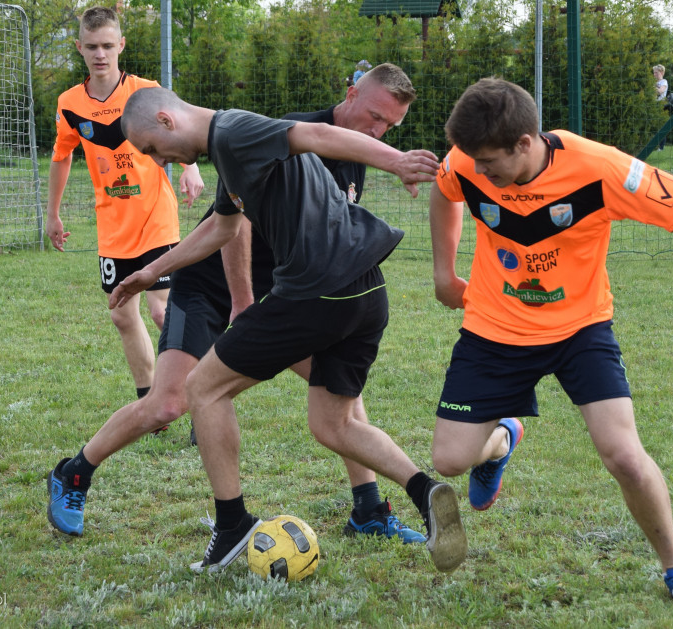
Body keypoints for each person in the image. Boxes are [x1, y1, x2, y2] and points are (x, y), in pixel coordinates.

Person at [428, 78, 673, 609]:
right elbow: (447, 192)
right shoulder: (469, 160)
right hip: (494, 327)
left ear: (525, 143)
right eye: (474, 162)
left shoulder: (599, 169)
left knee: (623, 455)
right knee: (449, 460)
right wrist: (446, 274)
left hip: (581, 329)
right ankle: (502, 440)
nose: (479, 172)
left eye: (491, 163)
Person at [46, 64, 428, 547]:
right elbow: (234, 226)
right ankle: (75, 473)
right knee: (169, 402)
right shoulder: (271, 130)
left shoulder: (348, 156)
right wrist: (242, 301)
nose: (378, 131)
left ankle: (369, 508)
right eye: (375, 118)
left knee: (337, 390)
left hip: (282, 296)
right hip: (210, 288)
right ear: (351, 95)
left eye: (388, 129)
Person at [111, 85, 468, 574]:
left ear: (167, 120)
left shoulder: (234, 130)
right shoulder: (229, 153)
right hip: (365, 291)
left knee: (203, 389)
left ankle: (232, 524)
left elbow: (318, 133)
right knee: (333, 424)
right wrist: (153, 272)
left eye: (151, 148)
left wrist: (397, 162)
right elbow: (222, 227)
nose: (158, 161)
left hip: (316, 290)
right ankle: (425, 492)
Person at [45, 6, 204, 402]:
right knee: (121, 312)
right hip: (112, 225)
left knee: (162, 311)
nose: (101, 54)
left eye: (108, 46)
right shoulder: (69, 104)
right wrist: (53, 213)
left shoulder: (144, 91)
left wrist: (191, 166)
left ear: (121, 46)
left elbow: (182, 128)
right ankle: (150, 401)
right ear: (79, 47)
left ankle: (201, 395)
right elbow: (61, 156)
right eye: (93, 46)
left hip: (155, 216)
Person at [652, 64, 669, 150]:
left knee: (660, 126)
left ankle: (661, 147)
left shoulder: (664, 82)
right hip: (653, 105)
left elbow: (661, 91)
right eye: (654, 73)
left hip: (661, 105)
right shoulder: (654, 82)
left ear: (662, 72)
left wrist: (653, 88)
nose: (654, 75)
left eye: (656, 73)